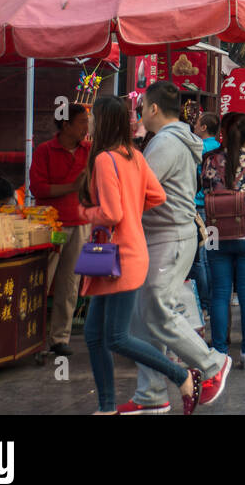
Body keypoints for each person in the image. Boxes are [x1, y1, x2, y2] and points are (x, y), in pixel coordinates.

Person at [78, 96, 202, 415]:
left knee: (116, 337)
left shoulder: (106, 159)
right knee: (94, 334)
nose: (89, 123)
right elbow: (157, 195)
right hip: (125, 253)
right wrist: (133, 213)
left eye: (93, 118)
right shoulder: (134, 154)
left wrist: (85, 212)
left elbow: (110, 212)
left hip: (117, 257)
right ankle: (106, 407)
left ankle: (182, 375)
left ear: (103, 121)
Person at [121, 82, 230, 413]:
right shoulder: (169, 140)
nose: (140, 115)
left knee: (157, 307)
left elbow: (142, 187)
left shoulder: (166, 142)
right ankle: (151, 395)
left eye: (142, 109)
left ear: (153, 109)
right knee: (143, 316)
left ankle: (212, 363)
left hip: (169, 235)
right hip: (162, 234)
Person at [202, 111, 245, 369]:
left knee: (219, 293)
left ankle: (219, 352)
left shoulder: (209, 161)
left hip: (216, 234)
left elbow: (206, 192)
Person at [29, 101, 91, 357]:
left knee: (70, 283)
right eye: (82, 123)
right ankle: (29, 336)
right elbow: (39, 189)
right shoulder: (45, 150)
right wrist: (71, 187)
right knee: (41, 280)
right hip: (51, 224)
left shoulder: (89, 150)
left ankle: (59, 337)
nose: (86, 128)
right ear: (66, 125)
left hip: (80, 224)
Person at [189, 111, 220, 308]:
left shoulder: (197, 148)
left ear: (204, 128)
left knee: (200, 257)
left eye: (197, 123)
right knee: (213, 253)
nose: (194, 126)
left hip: (199, 207)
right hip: (215, 210)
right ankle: (214, 300)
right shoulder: (220, 148)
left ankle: (204, 302)